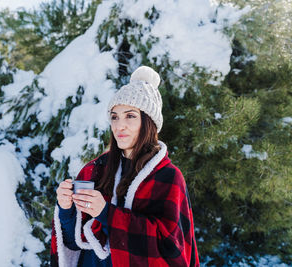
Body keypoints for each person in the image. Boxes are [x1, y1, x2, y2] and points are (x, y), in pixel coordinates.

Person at [50, 66, 200, 266]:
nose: (119, 125)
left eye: (130, 116)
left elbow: (172, 250)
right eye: (114, 117)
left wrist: (106, 214)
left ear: (149, 122)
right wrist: (66, 208)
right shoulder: (95, 171)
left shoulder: (168, 177)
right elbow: (73, 243)